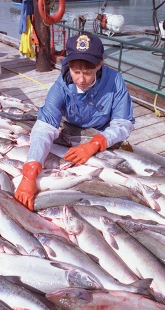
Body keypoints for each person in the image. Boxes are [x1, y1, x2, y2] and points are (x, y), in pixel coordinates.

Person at [15, 33, 135, 211]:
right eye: (76, 72)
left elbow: (123, 122)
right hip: (71, 132)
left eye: (87, 73)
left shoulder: (115, 80)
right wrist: (29, 173)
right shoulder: (61, 85)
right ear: (68, 65)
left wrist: (97, 143)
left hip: (103, 135)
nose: (80, 79)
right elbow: (45, 125)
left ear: (99, 65)